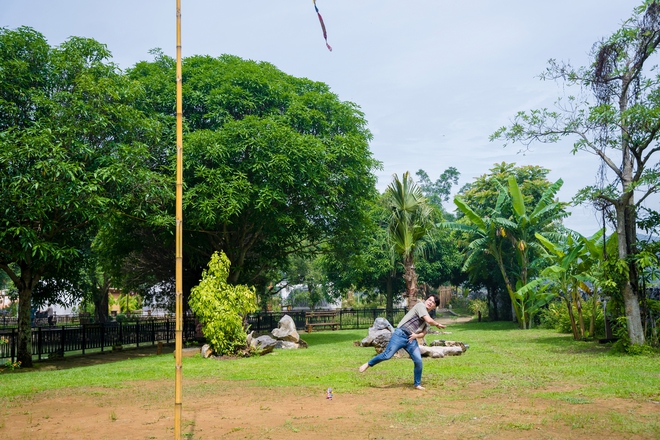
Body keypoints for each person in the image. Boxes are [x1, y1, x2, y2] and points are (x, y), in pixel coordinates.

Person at [358, 294, 446, 390]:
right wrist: (437, 324)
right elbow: (429, 320)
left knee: (418, 361)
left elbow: (423, 334)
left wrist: (416, 336)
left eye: (433, 302)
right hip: (400, 334)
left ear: (434, 307)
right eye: (429, 300)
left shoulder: (426, 319)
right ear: (426, 300)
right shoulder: (420, 306)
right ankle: (368, 364)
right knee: (387, 355)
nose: (430, 302)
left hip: (411, 339)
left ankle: (417, 384)